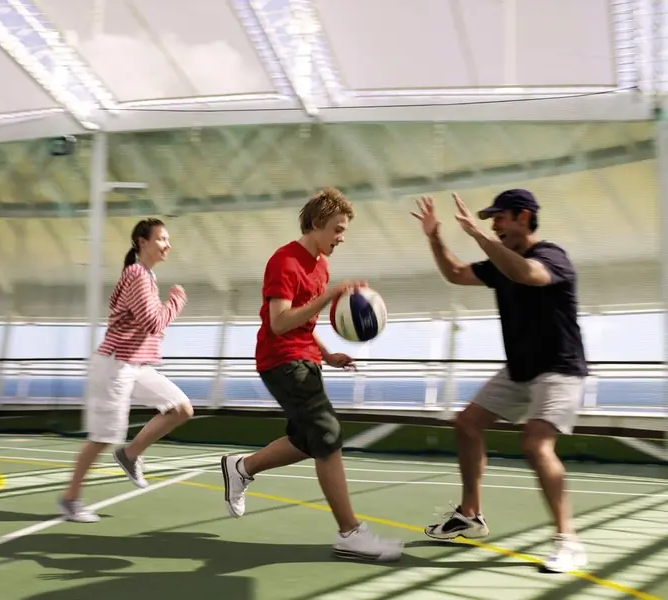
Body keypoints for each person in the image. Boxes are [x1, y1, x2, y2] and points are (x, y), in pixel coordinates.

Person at [220, 187, 404, 562]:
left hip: (306, 359)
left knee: (308, 440)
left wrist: (327, 354)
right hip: (280, 361)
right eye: (338, 229)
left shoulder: (321, 266)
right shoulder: (285, 261)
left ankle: (242, 467)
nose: (341, 237)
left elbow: (304, 324)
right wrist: (330, 296)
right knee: (328, 434)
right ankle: (350, 533)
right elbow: (280, 321)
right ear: (317, 223)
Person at [411, 189, 589, 573]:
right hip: (519, 368)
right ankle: (470, 515)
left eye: (500, 217)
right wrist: (434, 236)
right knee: (467, 424)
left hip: (558, 367)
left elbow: (527, 274)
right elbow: (456, 273)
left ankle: (568, 541)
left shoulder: (551, 256)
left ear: (523, 217)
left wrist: (478, 236)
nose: (494, 224)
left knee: (536, 443)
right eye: (490, 219)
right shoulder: (499, 261)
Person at [59, 218, 193, 523]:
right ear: (142, 242)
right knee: (103, 436)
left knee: (181, 409)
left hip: (137, 364)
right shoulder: (136, 275)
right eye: (161, 239)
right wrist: (176, 301)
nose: (166, 245)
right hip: (115, 365)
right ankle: (70, 499)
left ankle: (130, 455)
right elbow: (154, 323)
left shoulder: (145, 276)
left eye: (167, 239)